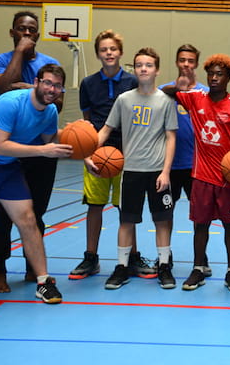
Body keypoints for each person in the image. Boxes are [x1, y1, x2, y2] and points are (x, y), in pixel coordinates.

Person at [0, 64, 72, 303]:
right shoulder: (11, 102)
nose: (51, 89)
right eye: (47, 83)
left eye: (57, 86)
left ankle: (43, 282)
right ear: (37, 82)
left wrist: (85, 148)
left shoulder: (50, 113)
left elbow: (53, 141)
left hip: (7, 167)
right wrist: (42, 150)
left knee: (28, 219)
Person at [88, 48, 178, 290]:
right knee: (126, 222)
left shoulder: (165, 101)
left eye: (149, 65)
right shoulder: (124, 100)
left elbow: (171, 138)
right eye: (139, 65)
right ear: (134, 69)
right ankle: (121, 267)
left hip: (157, 171)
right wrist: (85, 149)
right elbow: (105, 131)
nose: (144, 69)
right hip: (130, 171)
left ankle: (164, 266)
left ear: (157, 70)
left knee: (162, 221)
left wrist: (166, 172)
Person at [69, 30, 156, 280]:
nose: (108, 53)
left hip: (127, 155)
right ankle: (90, 258)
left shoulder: (132, 82)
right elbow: (87, 124)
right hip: (97, 153)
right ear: (98, 53)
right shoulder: (88, 84)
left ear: (120, 52)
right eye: (104, 49)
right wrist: (86, 153)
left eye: (113, 49)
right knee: (94, 206)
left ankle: (132, 258)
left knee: (127, 209)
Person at [0, 11, 62, 293]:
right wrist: (19, 53)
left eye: (32, 31)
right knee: (1, 217)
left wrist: (32, 87)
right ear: (13, 32)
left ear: (39, 35)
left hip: (40, 153)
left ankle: (34, 270)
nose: (28, 34)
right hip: (5, 152)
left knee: (35, 214)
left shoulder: (49, 64)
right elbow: (4, 89)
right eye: (22, 30)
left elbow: (56, 98)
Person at [168, 54, 230, 293]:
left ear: (229, 78)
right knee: (201, 225)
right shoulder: (195, 97)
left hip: (228, 177)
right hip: (201, 176)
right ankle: (198, 268)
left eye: (220, 74)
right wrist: (180, 84)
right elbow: (168, 92)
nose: (214, 78)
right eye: (211, 74)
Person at [159, 44, 212, 276]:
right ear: (177, 62)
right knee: (165, 213)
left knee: (200, 216)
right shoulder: (162, 91)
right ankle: (165, 256)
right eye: (182, 60)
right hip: (168, 166)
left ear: (196, 64)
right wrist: (175, 89)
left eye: (191, 61)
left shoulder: (206, 93)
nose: (186, 65)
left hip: (197, 166)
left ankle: (201, 258)